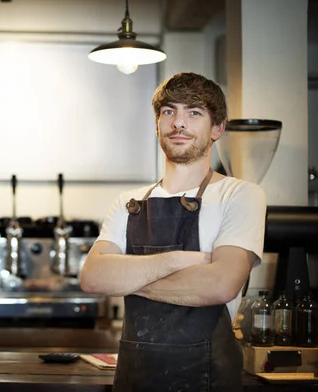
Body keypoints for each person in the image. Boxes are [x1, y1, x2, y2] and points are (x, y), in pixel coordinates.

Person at [80, 72, 267, 391]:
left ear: (217, 128)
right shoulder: (129, 202)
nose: (178, 122)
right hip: (134, 379)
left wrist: (128, 280)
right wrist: (180, 260)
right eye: (169, 111)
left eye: (194, 112)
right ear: (157, 125)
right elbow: (93, 278)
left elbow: (222, 286)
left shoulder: (241, 195)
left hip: (208, 380)